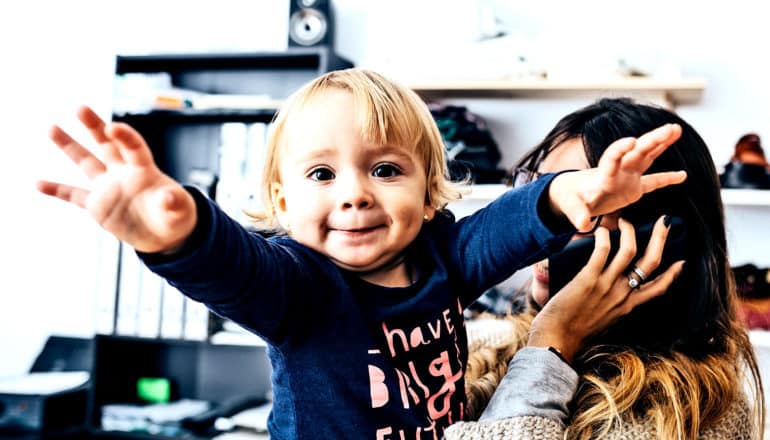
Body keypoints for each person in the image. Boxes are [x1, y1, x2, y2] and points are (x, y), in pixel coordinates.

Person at [37, 70, 686, 439]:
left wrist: (570, 193)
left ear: (430, 190)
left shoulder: (443, 257)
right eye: (321, 175)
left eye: (383, 169)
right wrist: (177, 236)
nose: (354, 195)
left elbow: (502, 227)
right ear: (282, 202)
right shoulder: (300, 287)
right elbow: (236, 269)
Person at [445, 97, 765, 439]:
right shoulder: (489, 340)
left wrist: (550, 343)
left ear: (660, 238)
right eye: (543, 193)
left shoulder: (692, 415)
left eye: (588, 203)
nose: (545, 233)